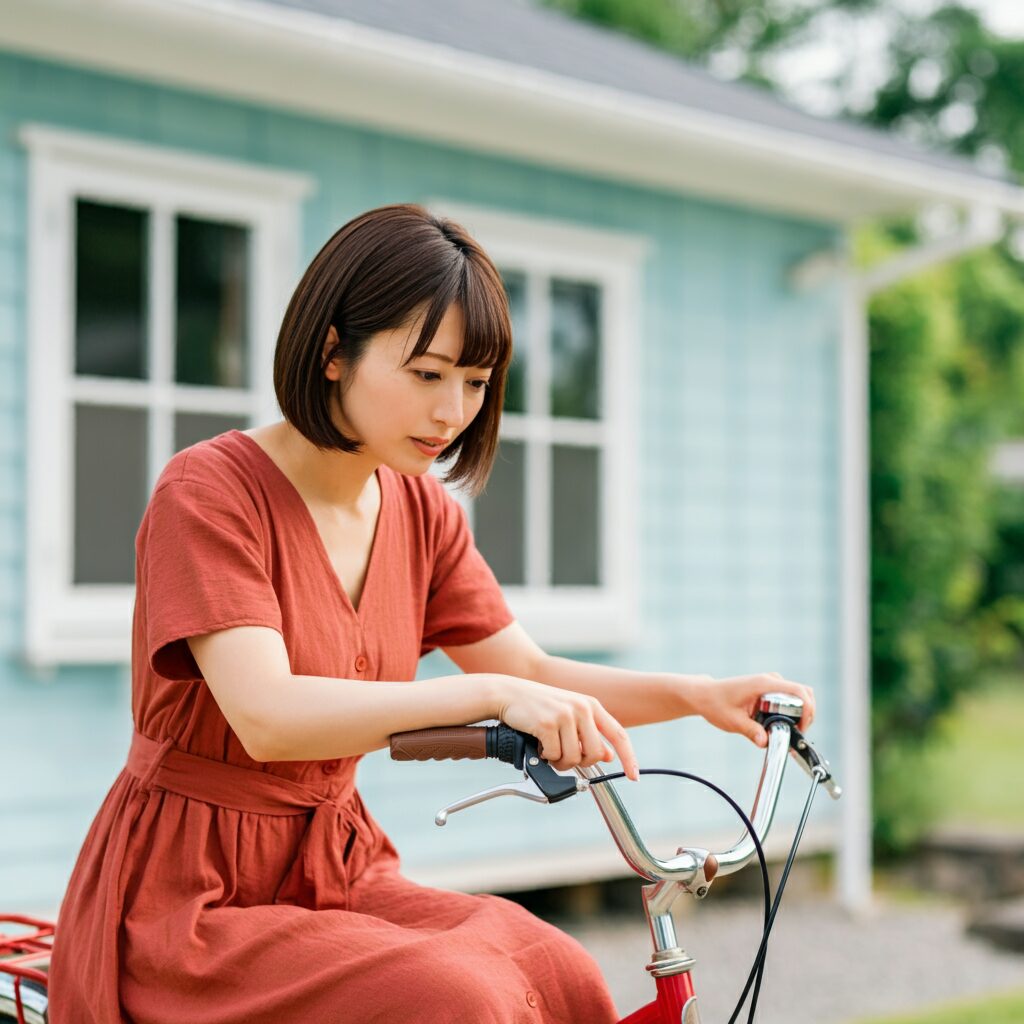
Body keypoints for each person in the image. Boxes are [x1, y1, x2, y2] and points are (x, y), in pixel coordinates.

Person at [48, 203, 816, 1024]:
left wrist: (698, 697)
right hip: (187, 901)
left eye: (477, 383)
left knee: (560, 970)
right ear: (333, 351)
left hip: (335, 870)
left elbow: (527, 674)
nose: (455, 413)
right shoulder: (209, 493)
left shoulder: (420, 510)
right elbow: (267, 716)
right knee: (459, 1000)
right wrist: (482, 699)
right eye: (427, 374)